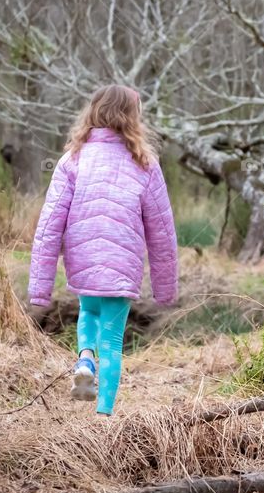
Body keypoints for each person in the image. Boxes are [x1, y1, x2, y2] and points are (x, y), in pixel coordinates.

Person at [28, 85, 178, 415]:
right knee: (111, 341)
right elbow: (162, 231)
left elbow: (49, 224)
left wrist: (40, 288)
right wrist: (165, 290)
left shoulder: (72, 160)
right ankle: (103, 414)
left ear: (94, 113)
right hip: (122, 264)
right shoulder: (144, 163)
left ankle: (84, 359)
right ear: (132, 118)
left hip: (83, 260)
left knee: (89, 311)